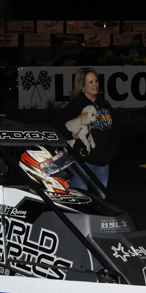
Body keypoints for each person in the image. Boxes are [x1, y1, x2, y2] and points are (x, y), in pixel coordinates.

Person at [54, 67, 120, 198]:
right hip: (82, 162)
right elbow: (57, 126)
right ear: (82, 86)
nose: (95, 84)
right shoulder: (75, 105)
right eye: (90, 82)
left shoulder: (105, 104)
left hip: (103, 163)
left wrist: (112, 153)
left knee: (100, 200)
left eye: (96, 81)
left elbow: (115, 130)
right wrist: (71, 135)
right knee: (80, 199)